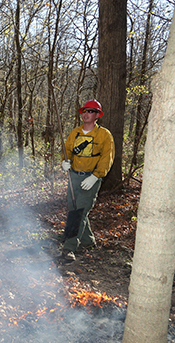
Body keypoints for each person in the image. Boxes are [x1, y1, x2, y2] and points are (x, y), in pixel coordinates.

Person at [60, 100, 114, 262]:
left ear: (97, 115)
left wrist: (96, 176)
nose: (86, 114)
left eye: (90, 111)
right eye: (84, 110)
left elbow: (107, 158)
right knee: (75, 210)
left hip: (90, 179)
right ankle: (87, 241)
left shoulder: (104, 135)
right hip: (73, 177)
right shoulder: (75, 133)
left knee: (78, 213)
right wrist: (65, 162)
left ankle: (69, 247)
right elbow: (67, 150)